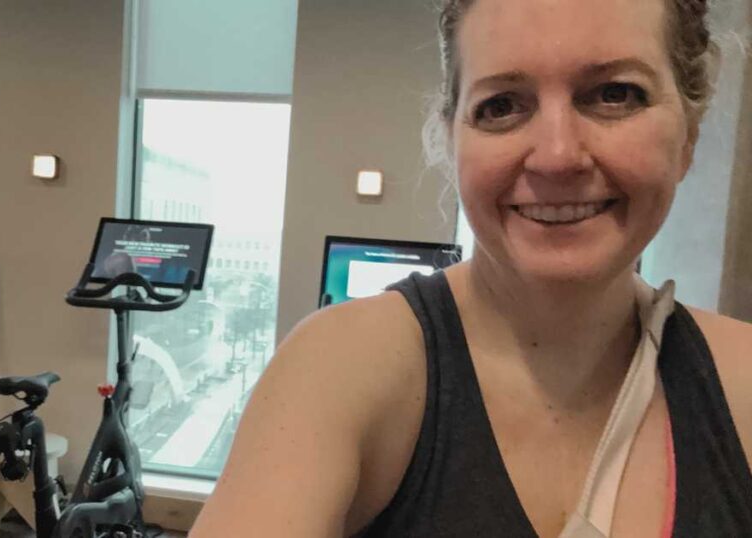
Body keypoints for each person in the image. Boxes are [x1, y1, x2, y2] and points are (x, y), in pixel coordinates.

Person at [190, 0, 752, 536]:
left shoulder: (742, 380)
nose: (557, 156)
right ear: (450, 138)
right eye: (502, 105)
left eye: (614, 94)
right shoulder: (342, 368)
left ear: (689, 134)